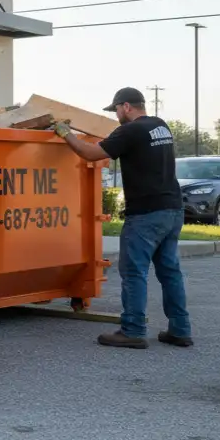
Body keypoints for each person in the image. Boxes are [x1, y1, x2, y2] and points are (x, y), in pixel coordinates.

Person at [52, 87, 193, 349]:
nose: (115, 115)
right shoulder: (160, 126)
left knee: (134, 271)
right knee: (170, 272)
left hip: (146, 213)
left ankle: (133, 330)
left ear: (126, 106)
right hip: (172, 209)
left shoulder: (130, 131)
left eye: (116, 109)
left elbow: (91, 153)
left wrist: (65, 133)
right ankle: (180, 329)